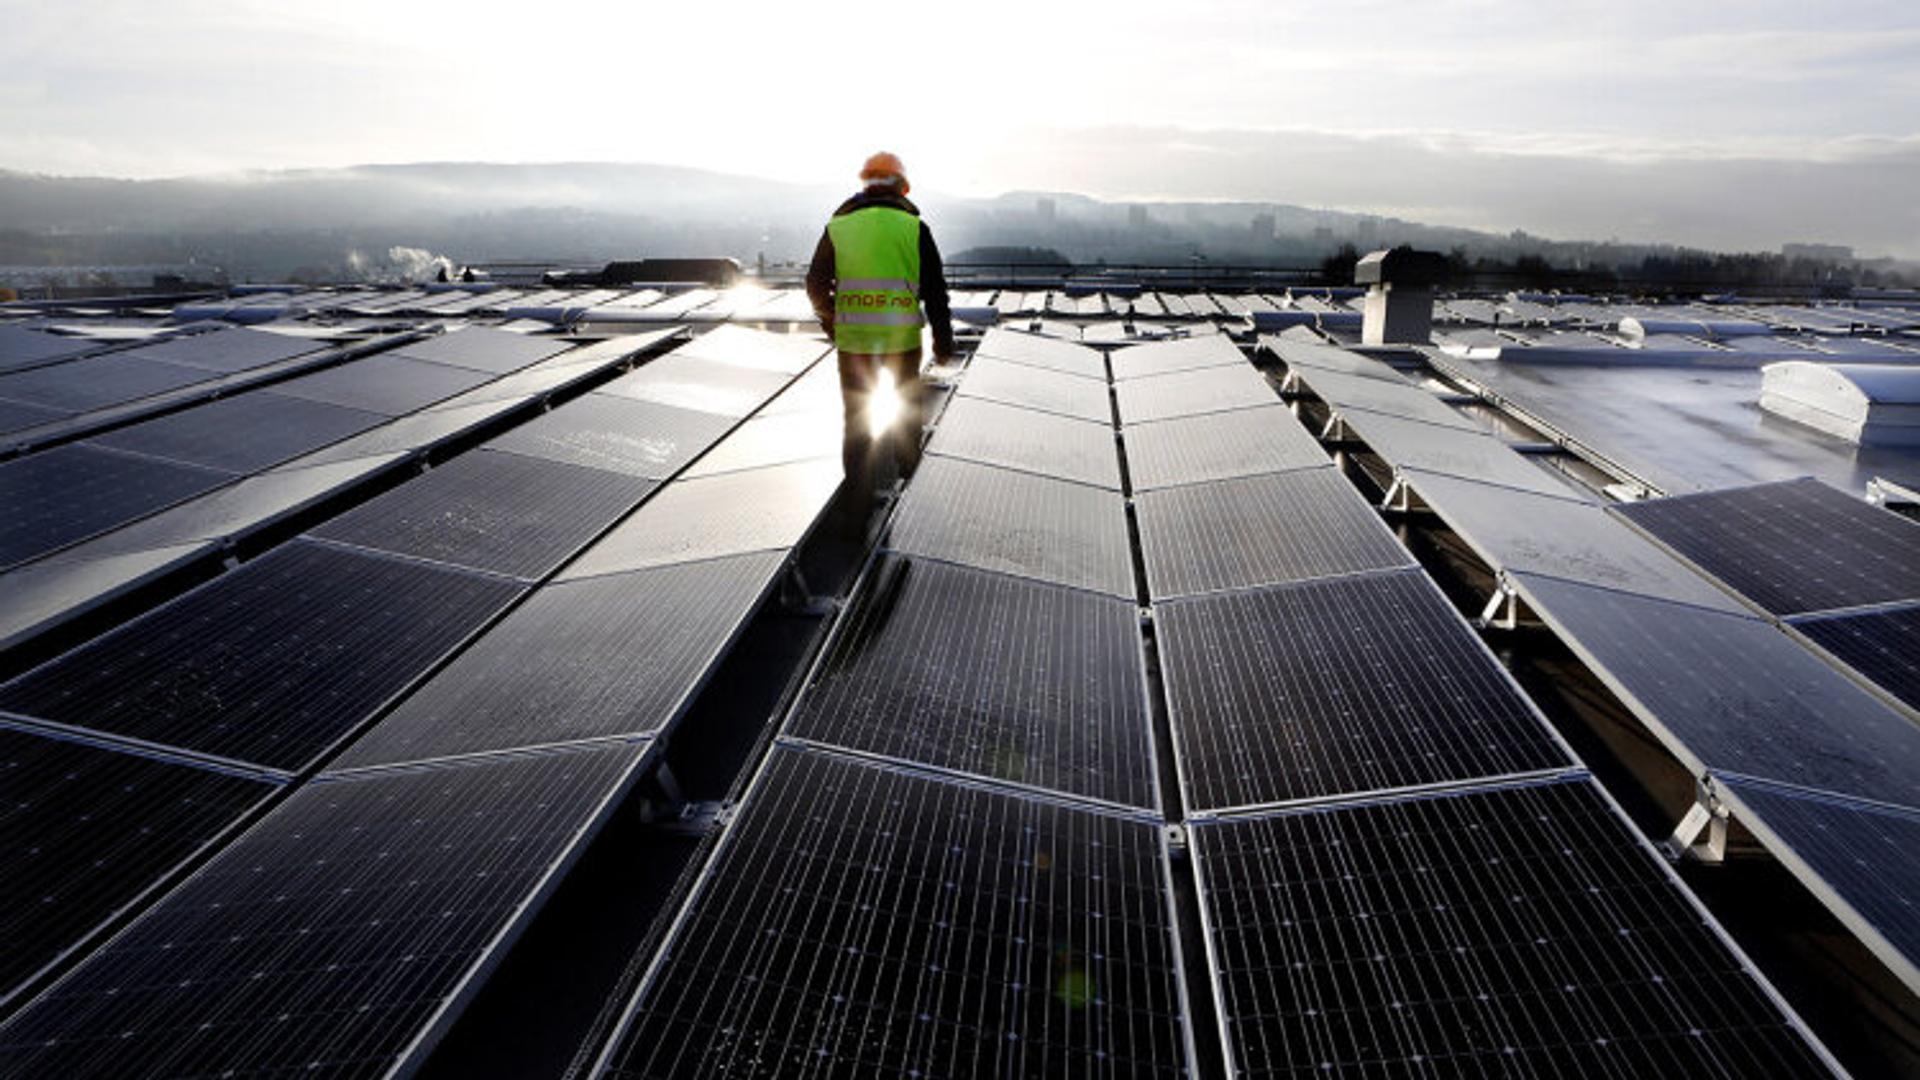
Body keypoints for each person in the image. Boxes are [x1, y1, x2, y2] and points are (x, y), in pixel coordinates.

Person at [806, 151, 954, 535]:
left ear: (865, 183)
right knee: (907, 418)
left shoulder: (839, 227)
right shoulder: (913, 227)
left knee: (857, 427)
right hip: (902, 340)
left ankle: (856, 518)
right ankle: (912, 497)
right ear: (901, 187)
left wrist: (833, 324)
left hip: (853, 343)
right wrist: (942, 341)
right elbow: (936, 291)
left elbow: (815, 286)